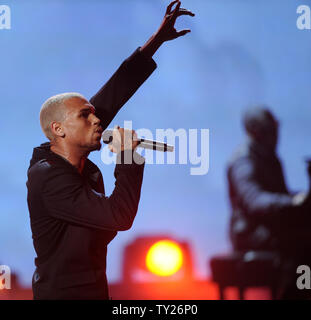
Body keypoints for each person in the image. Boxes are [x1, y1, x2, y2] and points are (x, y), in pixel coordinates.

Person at [26, 1, 195, 300]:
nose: (97, 120)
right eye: (85, 115)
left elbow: (113, 93)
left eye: (94, 114)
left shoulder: (82, 166)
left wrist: (155, 41)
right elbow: (119, 217)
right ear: (59, 129)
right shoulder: (47, 176)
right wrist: (127, 156)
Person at [227, 106, 311, 299]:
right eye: (271, 129)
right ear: (257, 130)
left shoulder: (270, 158)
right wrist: (295, 201)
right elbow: (255, 201)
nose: (276, 134)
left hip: (270, 229)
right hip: (252, 233)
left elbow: (278, 195)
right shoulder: (244, 161)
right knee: (304, 244)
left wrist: (298, 199)